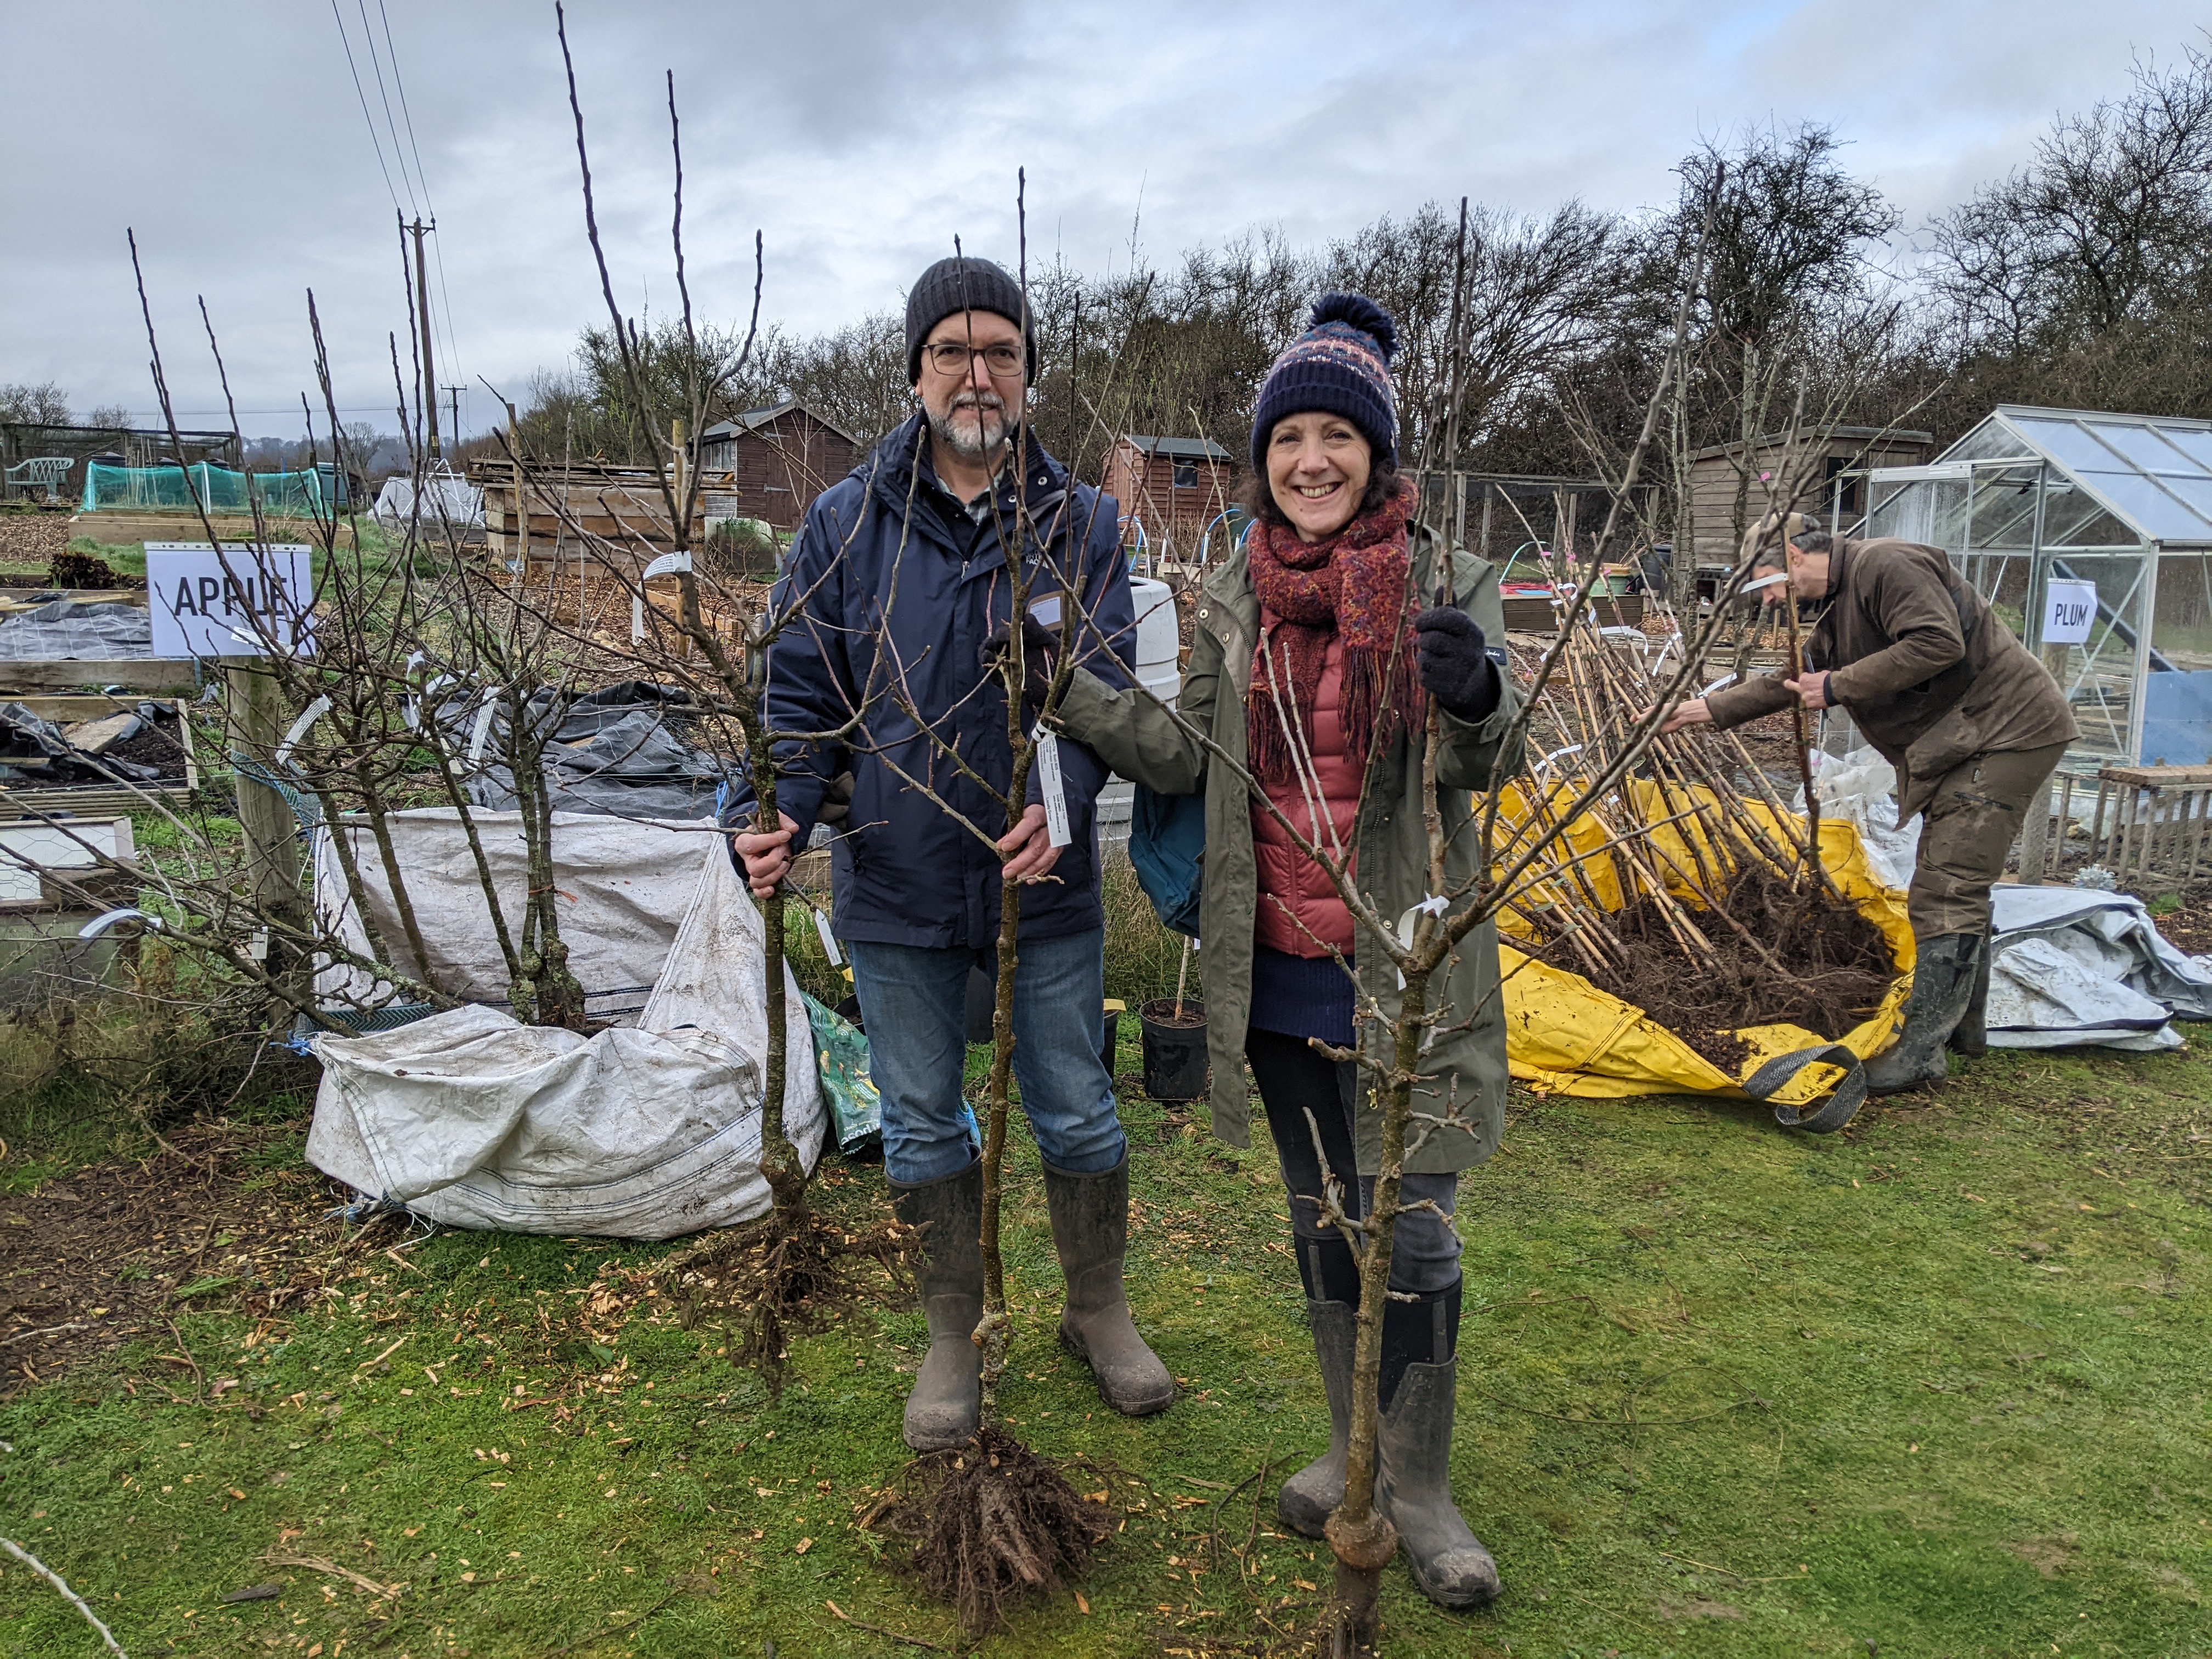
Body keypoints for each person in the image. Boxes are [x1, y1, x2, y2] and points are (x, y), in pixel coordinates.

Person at [1051, 294, 1523, 1610]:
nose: (1311, 460)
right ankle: (1348, 1450)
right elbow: (1183, 755)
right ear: (1262, 458)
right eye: (1288, 438)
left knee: (1412, 1234)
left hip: (1405, 978)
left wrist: (1475, 689)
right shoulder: (1232, 590)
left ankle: (1419, 1491)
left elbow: (1495, 757)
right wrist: (1065, 688)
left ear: (1377, 452)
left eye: (1337, 436)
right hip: (1278, 974)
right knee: (1324, 1223)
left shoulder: (1446, 582)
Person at [724, 253, 1173, 1451]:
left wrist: (1062, 803)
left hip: (1049, 881)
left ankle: (1098, 1309)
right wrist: (772, 811)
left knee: (1078, 1110)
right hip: (898, 874)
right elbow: (799, 697)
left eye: (1001, 351)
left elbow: (1109, 692)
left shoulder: (1083, 525)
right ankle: (949, 1335)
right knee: (923, 1120)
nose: (978, 373)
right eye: (953, 352)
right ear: (916, 372)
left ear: (1029, 371)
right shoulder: (844, 523)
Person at [1660, 512, 2078, 1092]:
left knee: (1947, 884)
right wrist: (1708, 710)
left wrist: (1836, 687)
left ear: (1794, 556)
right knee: (1954, 878)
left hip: (2005, 731)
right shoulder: (1841, 607)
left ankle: (1921, 1053)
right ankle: (1965, 1030)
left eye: (1768, 585)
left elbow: (1936, 642)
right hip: (1965, 739)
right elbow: (1798, 675)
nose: (1774, 602)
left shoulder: (1887, 564)